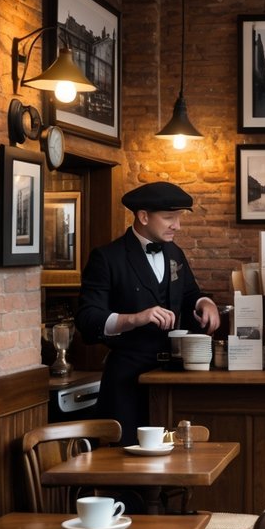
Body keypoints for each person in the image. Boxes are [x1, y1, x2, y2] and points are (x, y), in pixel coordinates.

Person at [76, 181, 220, 442]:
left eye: (178, 218)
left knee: (174, 463)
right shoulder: (107, 257)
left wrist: (204, 303)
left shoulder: (175, 252)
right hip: (126, 382)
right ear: (143, 216)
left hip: (171, 379)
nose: (177, 225)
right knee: (126, 467)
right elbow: (87, 319)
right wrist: (134, 318)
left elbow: (189, 295)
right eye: (169, 218)